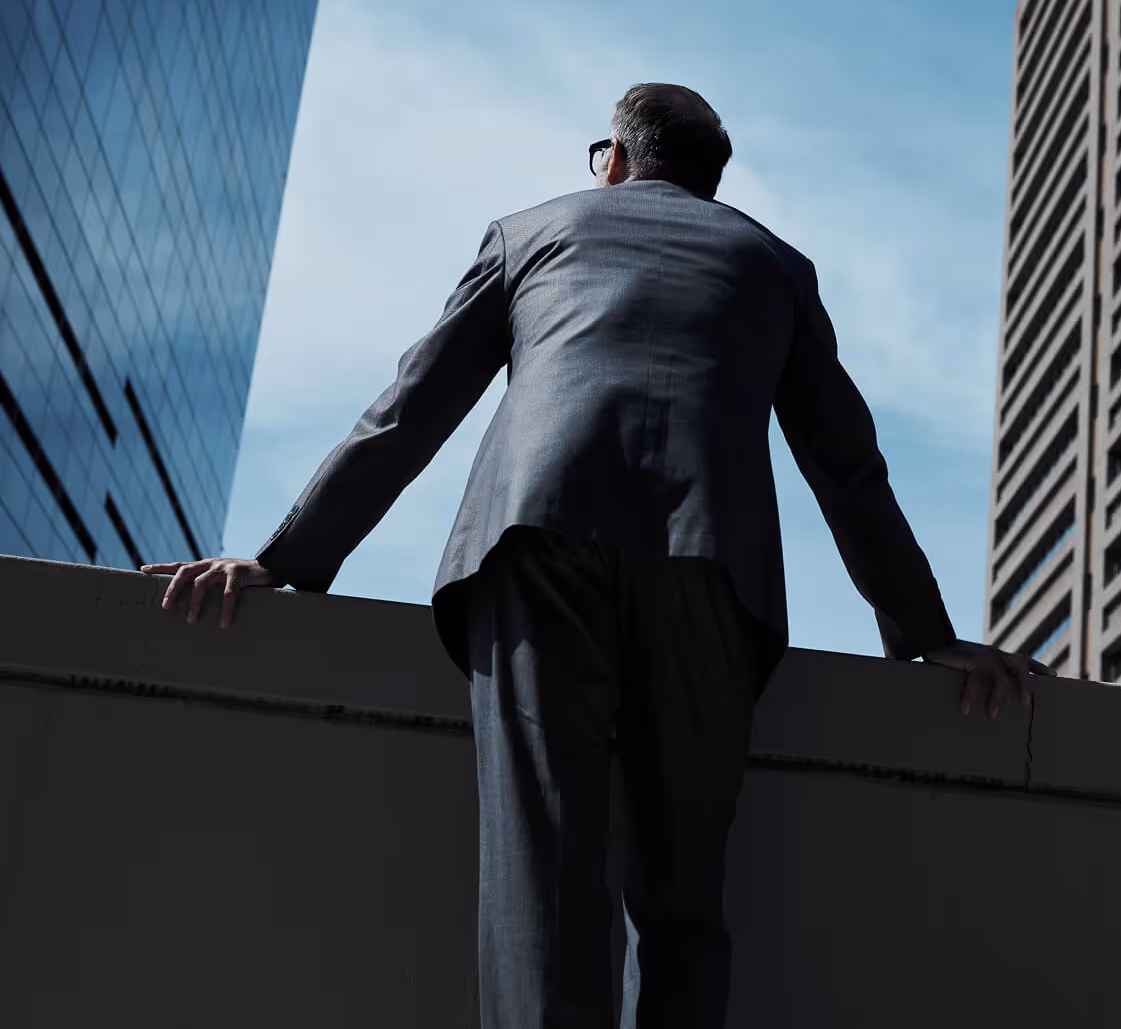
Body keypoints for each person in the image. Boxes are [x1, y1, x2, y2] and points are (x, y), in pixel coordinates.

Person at [142, 83, 1053, 1028]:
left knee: (544, 884)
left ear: (613, 159)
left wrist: (286, 559)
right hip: (713, 569)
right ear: (709, 181)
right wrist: (925, 633)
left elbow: (409, 412)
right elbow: (849, 468)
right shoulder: (777, 266)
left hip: (538, 544)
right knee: (683, 903)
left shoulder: (530, 234)